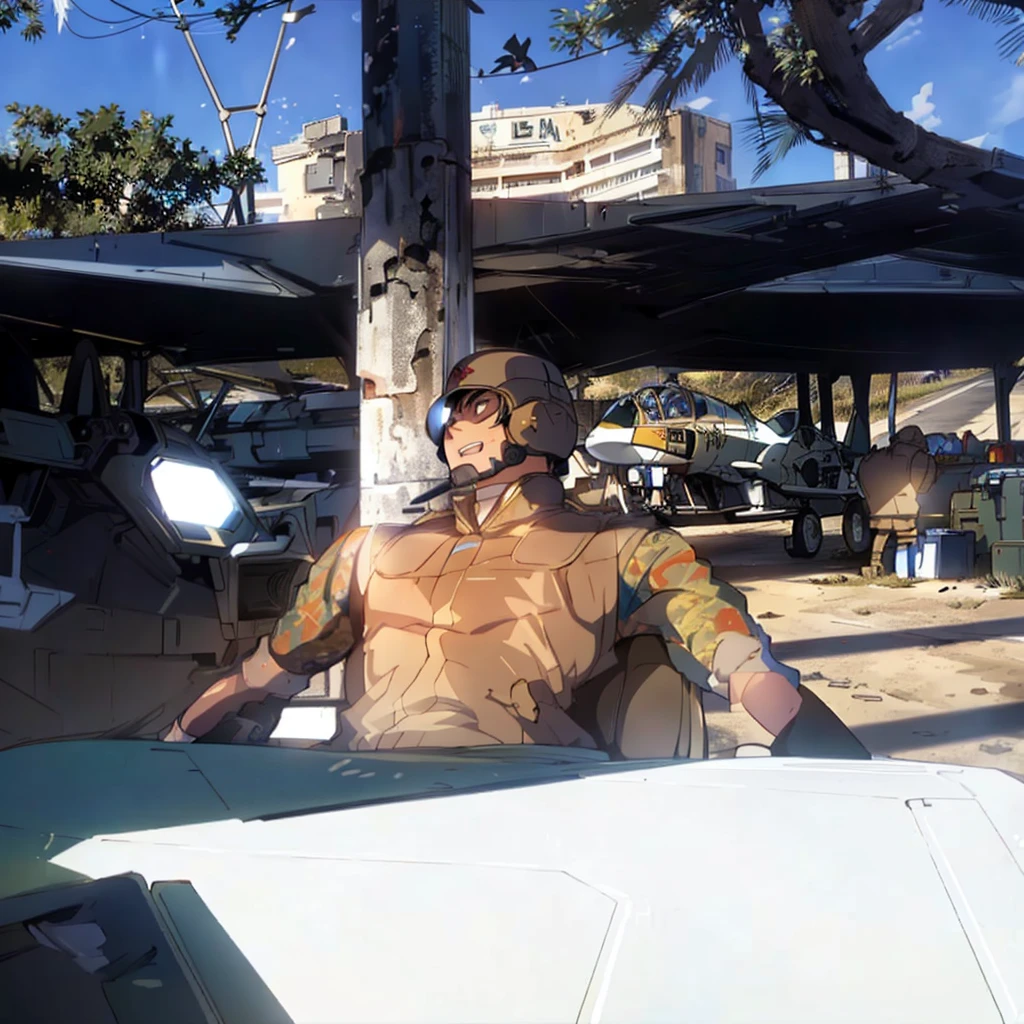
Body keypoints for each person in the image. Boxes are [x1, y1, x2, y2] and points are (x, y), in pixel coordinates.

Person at [165, 349, 866, 759]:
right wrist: (172, 746)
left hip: (527, 807)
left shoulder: (626, 551)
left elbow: (741, 664)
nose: (452, 430)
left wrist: (833, 759)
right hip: (364, 801)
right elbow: (265, 674)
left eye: (477, 408)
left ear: (535, 418)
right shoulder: (366, 551)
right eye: (446, 416)